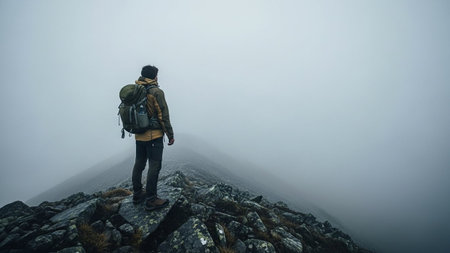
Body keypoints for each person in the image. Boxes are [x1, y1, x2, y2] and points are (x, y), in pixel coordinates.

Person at [131, 65, 175, 211]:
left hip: (138, 135)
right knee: (154, 166)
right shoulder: (156, 92)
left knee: (139, 164)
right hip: (154, 136)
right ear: (155, 76)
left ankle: (137, 194)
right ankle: (151, 199)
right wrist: (170, 134)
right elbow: (163, 115)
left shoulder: (136, 90)